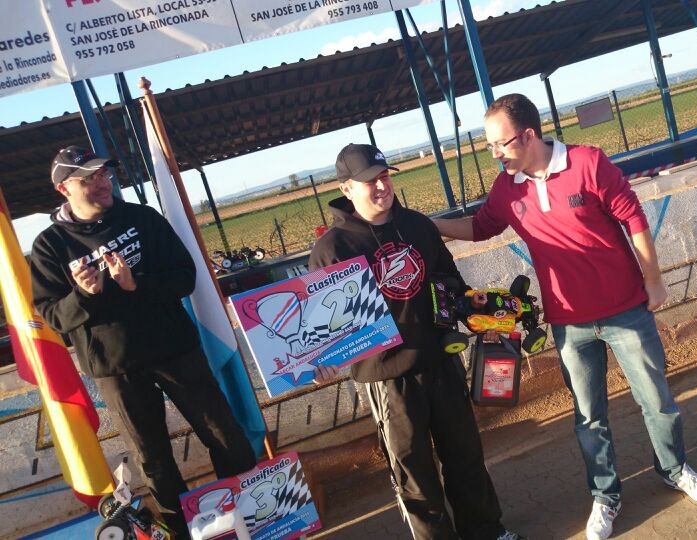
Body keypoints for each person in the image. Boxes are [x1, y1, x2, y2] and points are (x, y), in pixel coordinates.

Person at [433, 94, 697, 540]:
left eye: (500, 144)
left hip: (626, 310)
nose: (494, 154)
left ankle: (675, 469)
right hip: (569, 323)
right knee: (589, 417)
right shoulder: (507, 188)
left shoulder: (587, 163)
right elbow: (479, 227)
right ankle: (605, 497)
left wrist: (654, 281)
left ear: (528, 135)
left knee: (657, 401)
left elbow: (633, 217)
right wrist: (430, 226)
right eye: (488, 145)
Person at [30, 146, 256, 537]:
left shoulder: (142, 218)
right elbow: (53, 317)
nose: (103, 182)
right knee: (154, 461)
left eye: (104, 174)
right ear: (64, 189)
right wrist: (83, 294)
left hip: (175, 349)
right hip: (116, 369)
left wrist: (136, 284)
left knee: (225, 434)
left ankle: (255, 517)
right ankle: (184, 533)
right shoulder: (50, 246)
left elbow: (185, 277)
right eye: (89, 178)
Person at [309, 143, 523, 540]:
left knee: (466, 456)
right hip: (387, 377)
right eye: (370, 181)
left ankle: (487, 532)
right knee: (414, 473)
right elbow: (323, 329)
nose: (381, 186)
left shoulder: (418, 225)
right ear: (347, 189)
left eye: (384, 177)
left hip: (441, 358)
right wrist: (320, 362)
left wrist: (476, 309)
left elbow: (450, 279)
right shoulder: (332, 249)